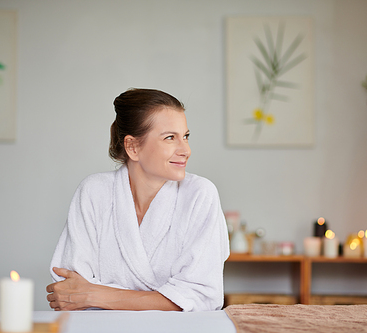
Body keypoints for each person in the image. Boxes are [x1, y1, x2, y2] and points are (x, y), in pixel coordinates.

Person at [46, 88, 230, 312]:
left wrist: (96, 294)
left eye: (186, 136)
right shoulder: (94, 192)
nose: (186, 150)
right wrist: (167, 299)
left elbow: (203, 295)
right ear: (133, 147)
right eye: (170, 138)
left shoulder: (200, 195)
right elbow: (70, 291)